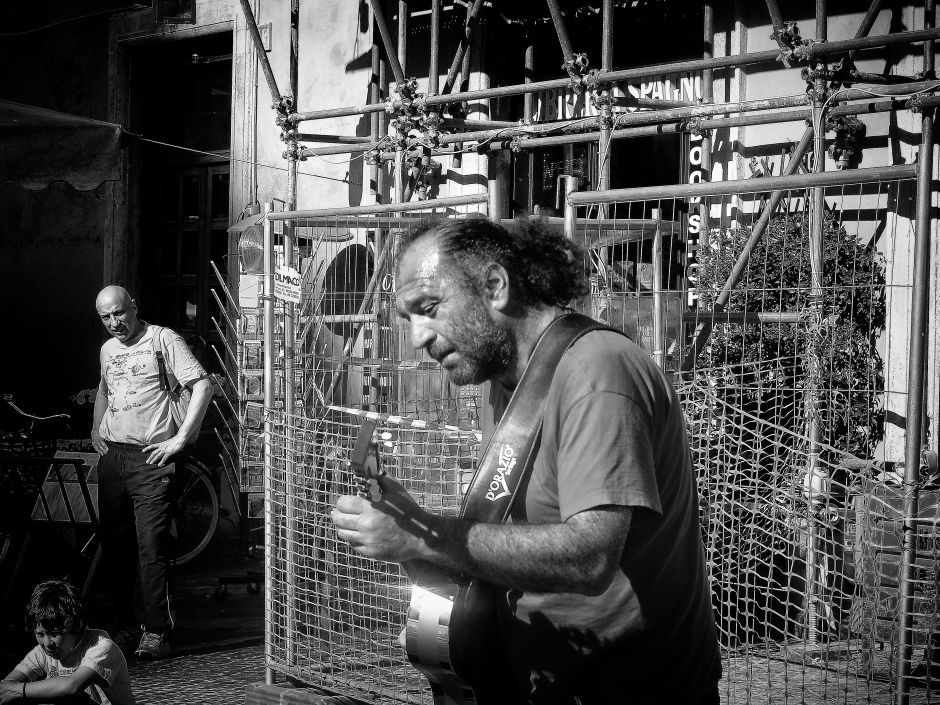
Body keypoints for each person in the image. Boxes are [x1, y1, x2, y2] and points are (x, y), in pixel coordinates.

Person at [330, 217, 721, 704]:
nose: (417, 337)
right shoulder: (505, 381)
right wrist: (412, 529)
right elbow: (511, 540)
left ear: (495, 286)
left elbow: (590, 557)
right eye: (408, 318)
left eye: (428, 309)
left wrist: (424, 536)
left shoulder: (596, 372)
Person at [90, 285, 213, 660]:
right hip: (115, 457)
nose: (115, 322)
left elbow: (202, 385)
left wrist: (180, 439)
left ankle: (156, 630)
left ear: (134, 306)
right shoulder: (107, 349)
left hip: (152, 457)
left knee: (152, 547)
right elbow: (104, 390)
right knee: (116, 547)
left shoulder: (163, 339)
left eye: (119, 313)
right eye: (106, 317)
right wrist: (95, 429)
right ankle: (125, 625)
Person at [0, 579, 135, 704]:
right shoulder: (40, 654)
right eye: (40, 634)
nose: (47, 643)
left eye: (55, 634)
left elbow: (72, 686)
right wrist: (10, 691)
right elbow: (7, 686)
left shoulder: (102, 647)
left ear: (76, 625)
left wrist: (20, 691)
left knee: (67, 696)